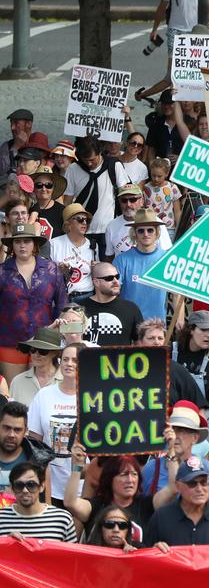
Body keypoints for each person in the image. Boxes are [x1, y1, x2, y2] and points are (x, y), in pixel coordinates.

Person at [137, 0, 209, 101]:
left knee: (196, 70)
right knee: (174, 72)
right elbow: (161, 7)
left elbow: (208, 1)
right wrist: (154, 29)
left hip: (195, 31)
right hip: (176, 31)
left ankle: (190, 100)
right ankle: (162, 98)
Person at [0, 223, 67, 384]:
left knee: (43, 391)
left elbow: (62, 304)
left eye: (27, 241)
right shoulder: (2, 271)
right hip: (10, 341)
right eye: (17, 241)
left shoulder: (51, 269)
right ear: (12, 245)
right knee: (14, 392)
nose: (22, 245)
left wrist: (60, 335)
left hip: (44, 340)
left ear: (35, 244)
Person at [144, 460, 209, 555]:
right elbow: (144, 558)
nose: (199, 489)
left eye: (204, 482)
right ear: (178, 486)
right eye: (192, 484)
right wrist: (154, 551)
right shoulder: (161, 518)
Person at [27, 343, 80, 505]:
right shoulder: (44, 395)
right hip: (51, 484)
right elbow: (34, 443)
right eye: (65, 359)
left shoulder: (94, 397)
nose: (69, 364)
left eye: (75, 360)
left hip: (82, 485)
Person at [0, 461, 77, 541]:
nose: (25, 490)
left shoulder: (62, 519)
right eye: (19, 485)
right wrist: (6, 542)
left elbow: (72, 553)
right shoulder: (1, 518)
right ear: (12, 488)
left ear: (42, 486)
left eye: (31, 485)